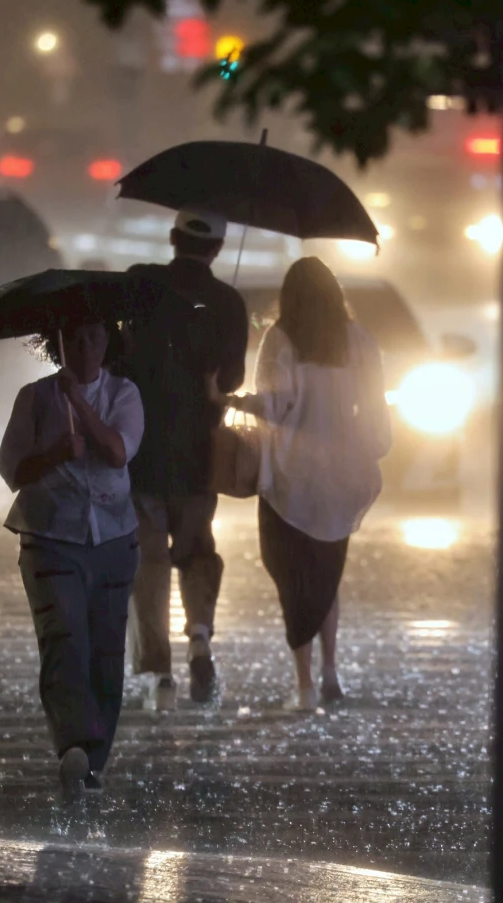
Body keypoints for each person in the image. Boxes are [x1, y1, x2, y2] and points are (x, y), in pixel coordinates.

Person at [213, 258, 390, 710]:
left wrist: (233, 400)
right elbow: (376, 417)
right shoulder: (359, 340)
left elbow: (277, 406)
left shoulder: (282, 338)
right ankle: (331, 671)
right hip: (343, 477)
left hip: (291, 481)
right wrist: (371, 449)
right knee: (327, 576)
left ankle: (305, 685)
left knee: (293, 578)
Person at [0, 315, 143, 800]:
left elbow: (118, 451)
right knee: (63, 640)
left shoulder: (124, 394)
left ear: (108, 340)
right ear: (58, 343)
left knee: (106, 651)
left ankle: (95, 762)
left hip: (113, 538)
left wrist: (79, 403)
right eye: (77, 336)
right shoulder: (33, 398)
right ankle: (73, 747)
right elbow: (13, 468)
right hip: (49, 536)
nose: (86, 346)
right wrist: (56, 452)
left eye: (95, 336)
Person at [122, 207, 248, 707]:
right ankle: (198, 637)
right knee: (196, 550)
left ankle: (161, 677)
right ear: (217, 249)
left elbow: (120, 352)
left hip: (142, 451)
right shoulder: (229, 303)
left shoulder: (139, 284)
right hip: (199, 456)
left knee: (148, 561)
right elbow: (232, 381)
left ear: (173, 237)